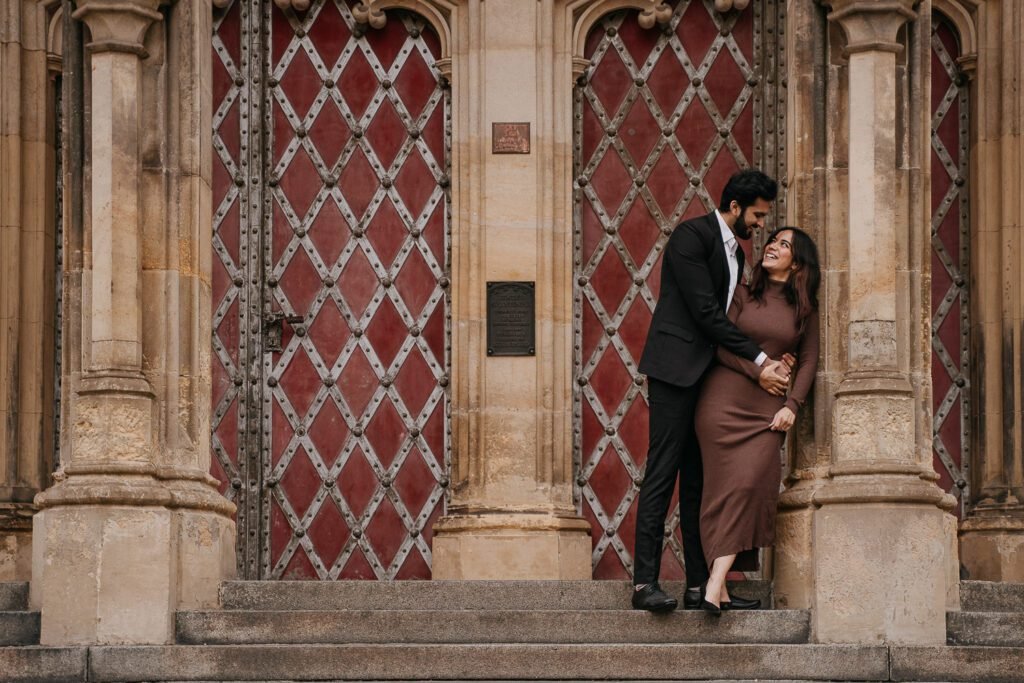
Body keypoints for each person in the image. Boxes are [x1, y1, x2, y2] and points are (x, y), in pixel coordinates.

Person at [631, 169, 792, 612]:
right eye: (757, 216)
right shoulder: (690, 237)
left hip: (709, 378)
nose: (761, 225)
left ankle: (700, 587)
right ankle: (644, 583)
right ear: (735, 207)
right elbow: (706, 314)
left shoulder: (737, 257)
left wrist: (780, 352)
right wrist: (760, 362)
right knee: (663, 472)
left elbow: (737, 318)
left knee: (700, 484)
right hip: (674, 370)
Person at [695, 226, 821, 616]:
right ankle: (720, 587)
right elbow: (720, 345)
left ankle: (715, 584)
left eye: (783, 244)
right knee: (721, 493)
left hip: (768, 410)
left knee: (751, 485)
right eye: (772, 241)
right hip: (722, 400)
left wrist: (793, 406)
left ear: (797, 261)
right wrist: (761, 370)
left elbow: (810, 361)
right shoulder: (743, 295)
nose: (771, 247)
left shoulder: (805, 310)